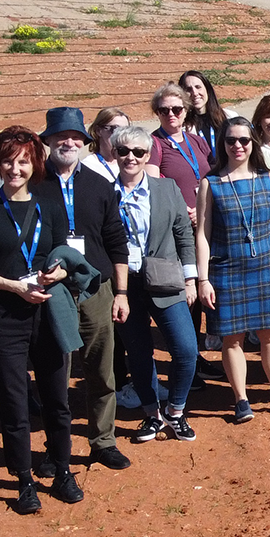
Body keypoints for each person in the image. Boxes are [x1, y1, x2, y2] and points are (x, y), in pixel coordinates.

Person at [0, 126, 79, 515]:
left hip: (47, 311)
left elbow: (61, 254)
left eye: (23, 161)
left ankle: (61, 468)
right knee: (14, 403)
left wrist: (58, 273)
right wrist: (10, 285)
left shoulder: (49, 204)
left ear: (35, 163)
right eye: (7, 160)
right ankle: (23, 479)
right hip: (3, 315)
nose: (15, 168)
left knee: (58, 400)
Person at [32, 106, 133, 474]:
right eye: (61, 138)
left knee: (101, 370)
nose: (69, 143)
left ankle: (102, 440)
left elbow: (115, 241)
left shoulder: (100, 185)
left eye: (75, 138)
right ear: (48, 142)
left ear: (84, 142)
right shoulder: (34, 185)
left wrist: (121, 292)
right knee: (57, 373)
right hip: (54, 292)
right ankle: (55, 447)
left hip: (97, 288)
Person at [197, 116, 270, 420]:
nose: (237, 146)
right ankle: (241, 399)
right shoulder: (210, 183)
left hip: (265, 266)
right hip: (225, 269)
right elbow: (202, 234)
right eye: (231, 140)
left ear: (252, 143)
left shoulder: (268, 178)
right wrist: (203, 279)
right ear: (222, 143)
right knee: (232, 337)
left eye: (243, 140)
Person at [111, 125, 202, 444]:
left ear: (148, 155)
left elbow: (183, 234)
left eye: (138, 152)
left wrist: (191, 279)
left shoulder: (166, 189)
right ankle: (151, 415)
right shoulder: (105, 192)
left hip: (165, 278)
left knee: (187, 350)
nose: (130, 157)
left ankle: (175, 411)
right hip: (124, 284)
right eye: (123, 151)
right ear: (115, 154)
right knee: (138, 353)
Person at [147, 82, 212, 217]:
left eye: (177, 109)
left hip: (208, 217)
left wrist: (203, 209)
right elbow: (154, 189)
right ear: (157, 113)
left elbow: (215, 177)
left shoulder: (197, 140)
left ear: (186, 110)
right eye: (164, 110)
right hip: (180, 222)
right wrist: (183, 211)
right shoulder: (152, 143)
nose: (171, 114)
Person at [179, 70, 231, 161]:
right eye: (188, 89)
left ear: (207, 89)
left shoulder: (230, 117)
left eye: (198, 87)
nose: (194, 93)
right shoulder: (180, 125)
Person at [80, 107, 132, 184]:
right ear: (98, 131)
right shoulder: (87, 166)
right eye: (115, 129)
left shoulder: (133, 162)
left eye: (126, 130)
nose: (120, 135)